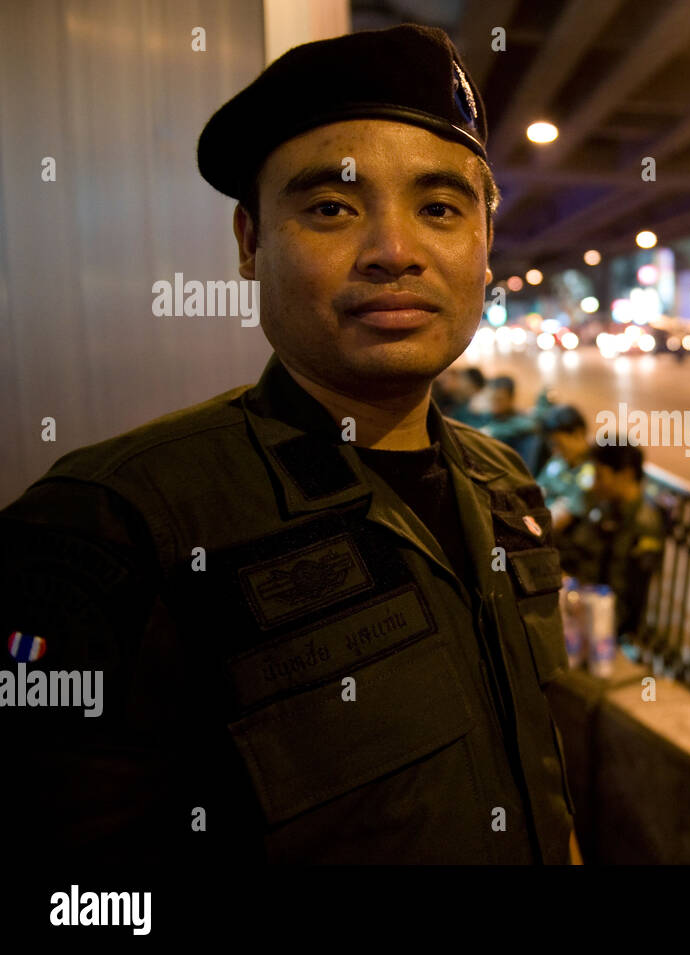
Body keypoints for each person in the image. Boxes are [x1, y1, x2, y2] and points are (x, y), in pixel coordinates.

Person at [0, 24, 579, 865]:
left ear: (486, 248)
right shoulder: (111, 529)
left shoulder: (506, 487)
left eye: (440, 208)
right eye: (332, 208)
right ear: (249, 243)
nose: (394, 252)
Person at [558, 441, 666, 640]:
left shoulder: (643, 523)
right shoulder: (605, 506)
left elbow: (627, 597)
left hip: (602, 625)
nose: (594, 484)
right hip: (580, 606)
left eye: (600, 476)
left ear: (626, 475)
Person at [536, 405, 595, 533]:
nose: (555, 450)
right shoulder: (559, 460)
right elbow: (536, 491)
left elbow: (561, 518)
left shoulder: (594, 471)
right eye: (552, 445)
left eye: (559, 444)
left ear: (578, 434)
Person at [477, 375, 542, 470]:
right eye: (492, 398)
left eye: (499, 399)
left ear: (511, 398)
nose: (495, 403)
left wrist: (493, 431)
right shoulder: (486, 417)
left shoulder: (524, 425)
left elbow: (532, 426)